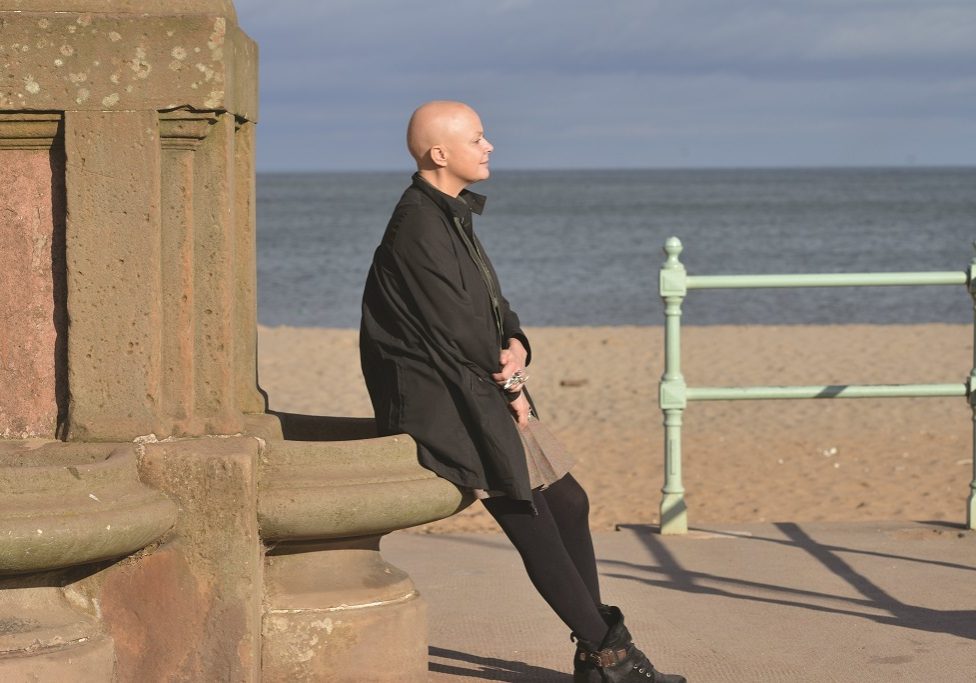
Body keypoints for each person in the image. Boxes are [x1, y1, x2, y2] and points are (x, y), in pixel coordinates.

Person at [360, 100, 686, 683]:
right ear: (441, 154)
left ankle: (597, 654)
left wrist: (517, 342)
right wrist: (508, 380)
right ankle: (612, 658)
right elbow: (454, 324)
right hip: (448, 403)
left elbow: (487, 304)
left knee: (570, 502)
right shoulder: (417, 222)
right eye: (478, 138)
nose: (489, 147)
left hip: (479, 385)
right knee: (531, 516)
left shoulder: (448, 213)